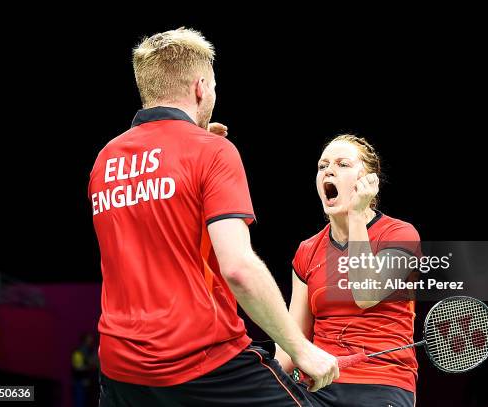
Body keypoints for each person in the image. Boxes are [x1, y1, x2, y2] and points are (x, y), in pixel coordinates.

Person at [88, 27, 338, 407]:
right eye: (215, 86)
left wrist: (193, 140)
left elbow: (158, 223)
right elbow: (237, 268)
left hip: (121, 370)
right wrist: (301, 349)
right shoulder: (212, 152)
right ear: (201, 87)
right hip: (201, 361)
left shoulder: (106, 159)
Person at [276, 135, 420, 407]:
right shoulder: (307, 250)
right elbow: (293, 340)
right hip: (320, 387)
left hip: (382, 384)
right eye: (322, 166)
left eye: (342, 164)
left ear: (369, 182)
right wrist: (265, 379)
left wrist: (356, 214)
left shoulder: (399, 234)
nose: (329, 170)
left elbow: (366, 293)